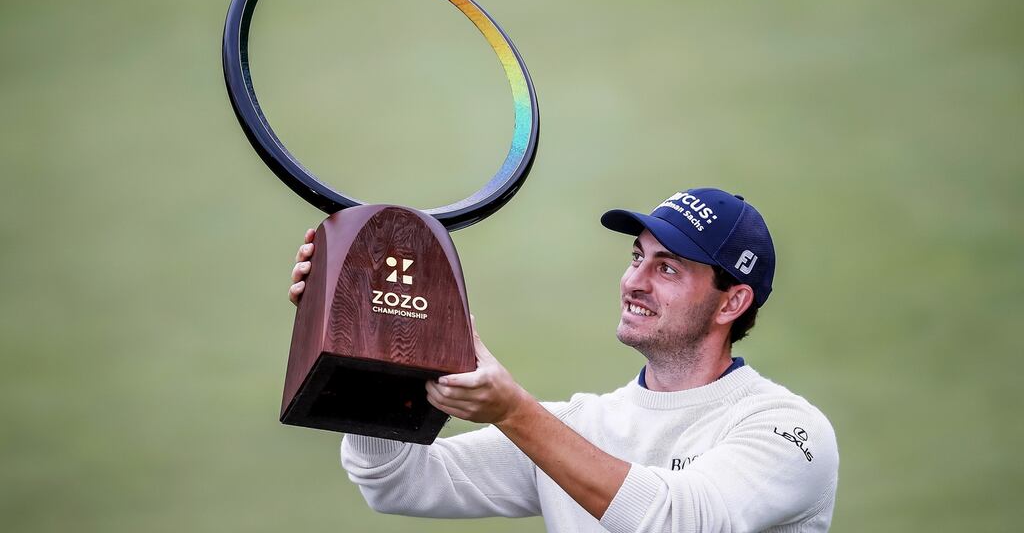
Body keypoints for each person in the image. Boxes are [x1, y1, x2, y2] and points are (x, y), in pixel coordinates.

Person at [288, 187, 839, 532]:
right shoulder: (579, 428)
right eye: (636, 257)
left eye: (667, 269)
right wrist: (381, 345)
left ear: (732, 302)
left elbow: (680, 520)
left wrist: (515, 412)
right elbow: (398, 484)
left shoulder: (787, 430)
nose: (635, 282)